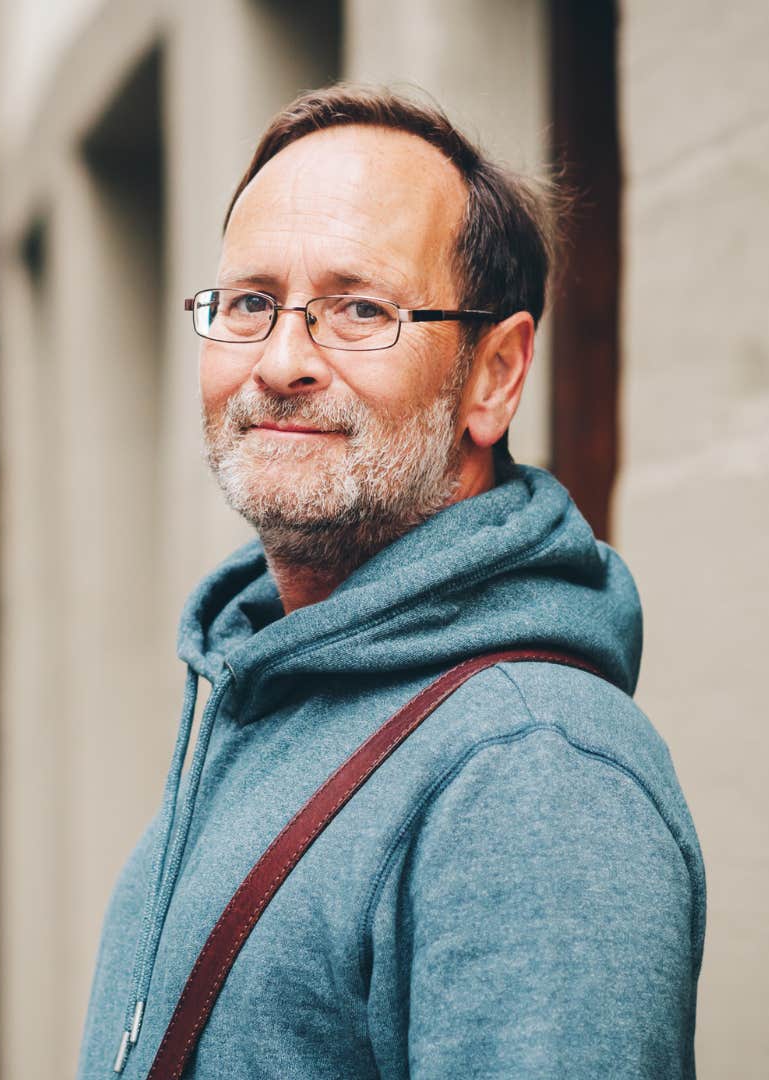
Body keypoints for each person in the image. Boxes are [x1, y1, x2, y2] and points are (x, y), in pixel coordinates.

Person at [78, 87, 705, 1078]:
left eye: (359, 310)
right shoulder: (255, 682)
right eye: (249, 302)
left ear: (493, 376)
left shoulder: (531, 772)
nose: (282, 360)